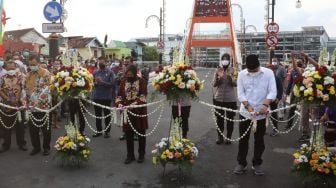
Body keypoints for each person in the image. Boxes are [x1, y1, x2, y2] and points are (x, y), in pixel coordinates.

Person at [234, 54, 277, 176]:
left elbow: (273, 91)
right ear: (246, 68)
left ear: (259, 66)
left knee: (259, 140)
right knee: (243, 139)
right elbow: (240, 93)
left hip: (262, 113)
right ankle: (241, 163)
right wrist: (248, 106)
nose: (252, 72)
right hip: (245, 112)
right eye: (250, 71)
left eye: (255, 70)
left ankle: (257, 163)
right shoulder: (242, 74)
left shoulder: (268, 73)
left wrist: (265, 104)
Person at [116, 64, 148, 164]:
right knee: (128, 134)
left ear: (134, 73)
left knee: (141, 133)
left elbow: (143, 96)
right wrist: (119, 103)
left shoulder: (142, 81)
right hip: (127, 112)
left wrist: (134, 104)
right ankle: (130, 155)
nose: (128, 75)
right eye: (127, 73)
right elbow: (119, 96)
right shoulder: (123, 82)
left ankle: (141, 154)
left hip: (139, 111)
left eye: (130, 73)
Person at [25, 55, 52, 156]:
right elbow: (25, 88)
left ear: (39, 63)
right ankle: (36, 147)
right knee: (33, 129)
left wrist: (39, 99)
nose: (32, 66)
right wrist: (24, 99)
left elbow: (48, 87)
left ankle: (46, 148)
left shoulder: (46, 73)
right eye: (30, 65)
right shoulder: (28, 75)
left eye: (34, 64)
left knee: (46, 129)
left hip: (44, 106)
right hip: (32, 106)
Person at [0, 60, 27, 153]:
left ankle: (22, 144)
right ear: (5, 68)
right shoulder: (2, 78)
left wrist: (17, 99)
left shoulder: (20, 78)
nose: (11, 70)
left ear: (15, 68)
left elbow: (23, 90)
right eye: (9, 68)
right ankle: (6, 145)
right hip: (6, 105)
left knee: (20, 126)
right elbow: (0, 90)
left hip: (18, 105)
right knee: (6, 127)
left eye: (13, 68)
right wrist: (7, 99)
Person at [213, 53, 237, 145]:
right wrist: (219, 78)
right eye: (224, 59)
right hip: (218, 98)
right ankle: (220, 137)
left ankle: (228, 138)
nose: (225, 60)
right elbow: (214, 84)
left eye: (227, 59)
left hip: (230, 99)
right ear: (221, 60)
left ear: (229, 60)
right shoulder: (218, 70)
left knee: (230, 119)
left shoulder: (233, 70)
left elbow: (236, 84)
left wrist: (230, 78)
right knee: (219, 119)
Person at [92, 57, 116, 138]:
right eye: (99, 61)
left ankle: (107, 132)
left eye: (102, 61)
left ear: (106, 63)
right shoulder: (95, 72)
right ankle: (98, 131)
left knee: (107, 115)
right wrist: (95, 83)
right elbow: (92, 83)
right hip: (97, 96)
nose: (100, 62)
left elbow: (112, 84)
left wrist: (102, 82)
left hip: (106, 97)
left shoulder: (110, 72)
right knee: (97, 115)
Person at [266, 64, 283, 137]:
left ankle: (275, 130)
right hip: (264, 99)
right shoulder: (264, 78)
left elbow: (280, 89)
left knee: (274, 115)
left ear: (274, 70)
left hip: (273, 99)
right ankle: (262, 129)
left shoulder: (277, 78)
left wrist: (278, 98)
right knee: (263, 114)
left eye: (271, 69)